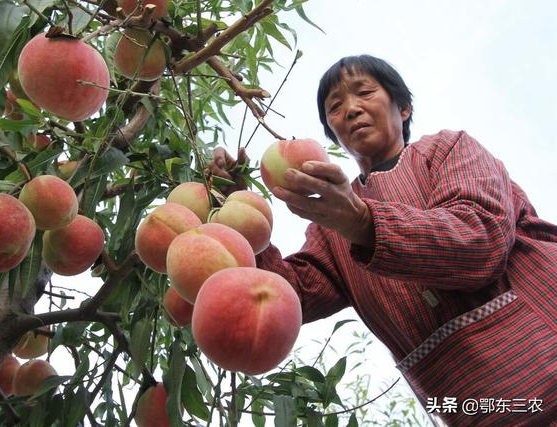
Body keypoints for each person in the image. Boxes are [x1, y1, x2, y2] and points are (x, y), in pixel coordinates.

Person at [209, 55, 557, 426]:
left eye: (364, 92)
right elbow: (290, 296)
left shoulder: (446, 150)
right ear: (333, 134)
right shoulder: (331, 228)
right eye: (335, 107)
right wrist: (241, 217)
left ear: (403, 107)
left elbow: (481, 237)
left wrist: (364, 222)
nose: (351, 109)